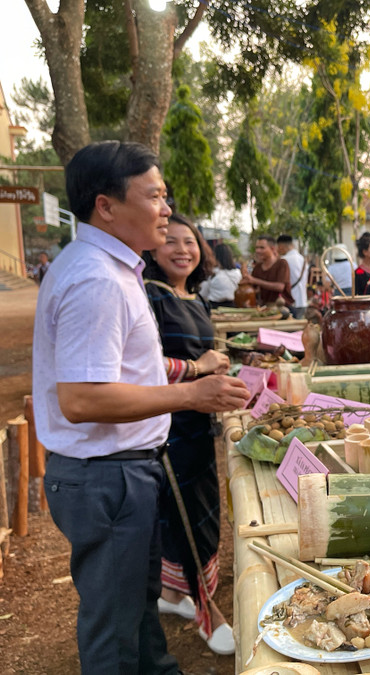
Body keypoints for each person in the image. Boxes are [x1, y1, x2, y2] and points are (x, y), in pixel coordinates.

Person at [33, 140, 250, 674]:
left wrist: (192, 374)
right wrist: (190, 394)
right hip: (105, 476)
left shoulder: (112, 270)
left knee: (137, 614)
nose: (167, 209)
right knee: (115, 633)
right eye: (154, 196)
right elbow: (82, 399)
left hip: (122, 471)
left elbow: (127, 372)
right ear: (106, 206)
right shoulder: (96, 279)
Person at [143, 214, 234, 655]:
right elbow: (141, 366)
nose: (182, 250)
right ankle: (207, 611)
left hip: (199, 423)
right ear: (153, 249)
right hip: (168, 424)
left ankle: (174, 594)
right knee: (183, 514)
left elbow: (203, 357)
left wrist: (220, 366)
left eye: (190, 242)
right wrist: (200, 368)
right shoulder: (150, 295)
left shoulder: (194, 298)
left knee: (202, 508)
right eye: (171, 241)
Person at [242, 234, 292, 307]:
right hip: (264, 308)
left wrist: (254, 280)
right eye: (257, 248)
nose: (258, 251)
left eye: (262, 248)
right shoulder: (258, 267)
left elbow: (280, 287)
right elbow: (253, 288)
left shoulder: (282, 263)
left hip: (281, 308)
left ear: (272, 249)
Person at [199, 243, 241, 308]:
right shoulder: (237, 273)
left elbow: (203, 293)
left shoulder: (213, 273)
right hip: (233, 306)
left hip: (214, 306)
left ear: (216, 257)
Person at [277, 234, 308, 318]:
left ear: (281, 246)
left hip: (290, 301)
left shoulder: (283, 260)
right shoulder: (302, 259)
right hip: (303, 300)